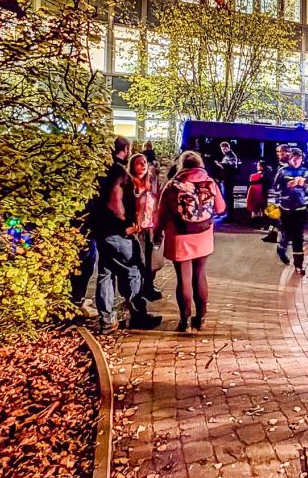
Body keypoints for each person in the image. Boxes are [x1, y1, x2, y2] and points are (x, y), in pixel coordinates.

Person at [90, 137, 162, 333]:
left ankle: (106, 320)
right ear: (127, 149)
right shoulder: (119, 172)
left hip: (101, 231)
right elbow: (115, 202)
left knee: (106, 273)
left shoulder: (100, 171)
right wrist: (126, 226)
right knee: (133, 270)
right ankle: (138, 316)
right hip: (117, 231)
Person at [155, 151, 225, 333]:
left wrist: (157, 233)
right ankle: (200, 319)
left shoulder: (173, 185)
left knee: (183, 279)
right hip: (203, 235)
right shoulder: (209, 182)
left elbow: (161, 212)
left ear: (182, 165)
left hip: (179, 236)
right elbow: (221, 208)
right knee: (199, 275)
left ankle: (184, 321)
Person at [128, 152, 162, 301]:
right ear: (132, 166)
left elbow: (157, 201)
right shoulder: (129, 183)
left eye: (144, 162)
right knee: (138, 260)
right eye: (139, 163)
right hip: (137, 228)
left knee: (152, 260)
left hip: (151, 226)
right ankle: (138, 290)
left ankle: (149, 286)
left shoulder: (152, 181)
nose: (143, 165)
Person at [275, 147, 308, 275]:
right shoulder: (282, 171)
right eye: (294, 159)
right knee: (286, 233)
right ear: (290, 159)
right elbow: (275, 187)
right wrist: (286, 185)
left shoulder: (305, 171)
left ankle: (298, 265)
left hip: (300, 208)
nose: (296, 161)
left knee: (298, 236)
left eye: (299, 159)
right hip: (286, 208)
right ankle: (281, 249)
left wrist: (304, 185)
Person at [217, 141, 240, 221]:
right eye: (222, 149)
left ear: (228, 148)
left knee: (228, 197)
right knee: (225, 197)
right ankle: (226, 213)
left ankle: (229, 215)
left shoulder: (232, 156)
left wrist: (220, 164)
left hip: (229, 179)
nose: (223, 151)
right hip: (225, 179)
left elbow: (231, 167)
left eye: (224, 149)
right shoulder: (226, 156)